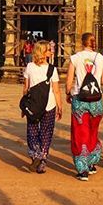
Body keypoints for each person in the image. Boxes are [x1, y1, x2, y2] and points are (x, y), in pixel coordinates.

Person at [65, 32, 103, 181]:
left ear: (82, 42)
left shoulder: (75, 58)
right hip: (96, 101)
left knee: (80, 133)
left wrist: (67, 93)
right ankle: (91, 163)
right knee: (93, 131)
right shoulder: (102, 59)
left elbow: (69, 80)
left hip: (80, 99)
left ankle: (82, 169)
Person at [23, 41, 62, 174]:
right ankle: (42, 160)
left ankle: (35, 154)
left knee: (32, 130)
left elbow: (26, 89)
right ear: (43, 52)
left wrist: (24, 107)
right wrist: (60, 106)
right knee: (46, 132)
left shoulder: (29, 67)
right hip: (49, 105)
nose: (51, 52)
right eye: (49, 50)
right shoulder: (52, 69)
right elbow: (56, 90)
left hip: (33, 104)